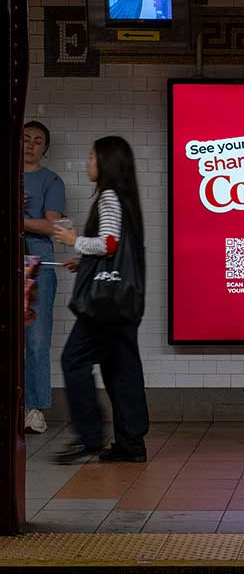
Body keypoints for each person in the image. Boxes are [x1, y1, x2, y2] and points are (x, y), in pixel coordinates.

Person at [52, 136, 149, 464]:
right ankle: (131, 443)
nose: (88, 163)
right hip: (123, 302)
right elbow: (118, 251)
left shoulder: (108, 196)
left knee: (73, 359)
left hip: (104, 306)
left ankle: (89, 437)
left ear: (106, 162)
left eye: (92, 157)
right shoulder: (126, 197)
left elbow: (109, 244)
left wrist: (74, 240)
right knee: (122, 371)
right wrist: (84, 263)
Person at [22, 121, 66, 434]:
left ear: (45, 148)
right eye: (25, 139)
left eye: (38, 141)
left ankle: (33, 408)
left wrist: (18, 216)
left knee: (36, 340)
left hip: (36, 264)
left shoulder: (52, 181)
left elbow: (53, 226)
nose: (30, 145)